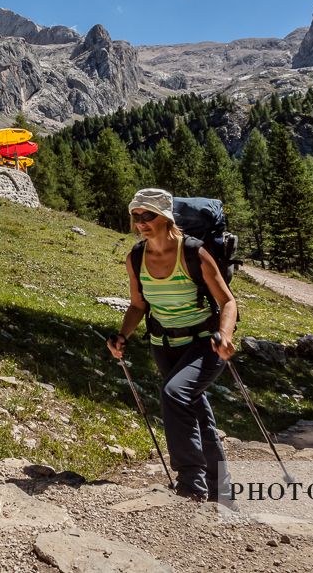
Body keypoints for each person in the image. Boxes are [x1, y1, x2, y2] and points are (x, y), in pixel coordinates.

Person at [107, 187, 238, 502]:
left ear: (165, 217)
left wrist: (226, 336)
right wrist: (122, 335)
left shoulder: (194, 253)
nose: (141, 222)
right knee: (194, 408)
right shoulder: (136, 257)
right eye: (136, 216)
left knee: (175, 394)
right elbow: (138, 305)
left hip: (206, 343)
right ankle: (221, 488)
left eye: (148, 215)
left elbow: (228, 302)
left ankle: (191, 483)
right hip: (162, 345)